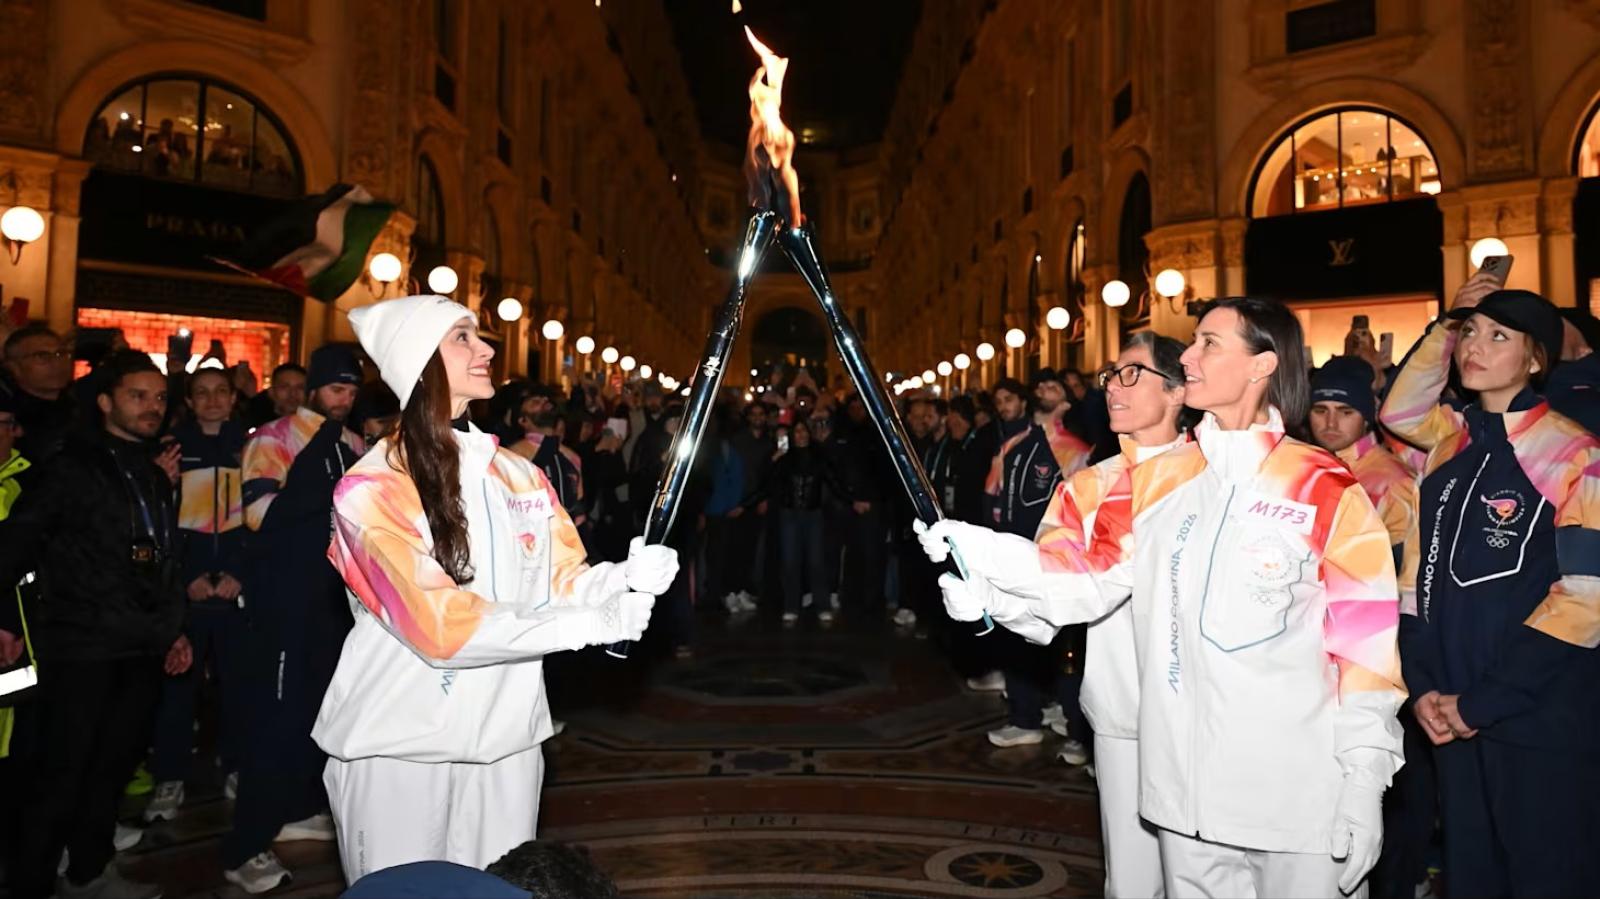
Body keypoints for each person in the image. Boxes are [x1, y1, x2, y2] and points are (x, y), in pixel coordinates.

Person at [922, 298, 1404, 898]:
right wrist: (986, 567)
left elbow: (1366, 646)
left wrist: (1365, 774)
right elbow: (1090, 580)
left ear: (1262, 366)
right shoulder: (1158, 482)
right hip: (1183, 795)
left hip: (1293, 787)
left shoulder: (1322, 484)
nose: (1191, 357)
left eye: (1208, 344)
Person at [315, 295, 675, 882]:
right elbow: (437, 624)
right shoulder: (368, 491)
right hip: (399, 743)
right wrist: (592, 624)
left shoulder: (519, 475)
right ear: (418, 360)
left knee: (499, 893)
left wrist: (620, 581)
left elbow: (562, 582)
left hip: (506, 739)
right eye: (463, 337)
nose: (486, 348)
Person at [1380, 280, 1600, 898]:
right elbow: (1416, 580)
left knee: (1546, 873)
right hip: (1449, 710)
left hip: (1537, 716)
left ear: (1535, 360)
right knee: (1471, 874)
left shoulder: (1575, 454)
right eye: (1470, 334)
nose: (1475, 346)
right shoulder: (1452, 439)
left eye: (1498, 336)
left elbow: (1584, 602)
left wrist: (1482, 703)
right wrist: (1424, 686)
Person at [0, 351, 190, 899]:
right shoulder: (71, 465)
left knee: (111, 772)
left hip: (138, 648)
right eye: (138, 395)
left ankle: (88, 871)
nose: (152, 406)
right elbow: (18, 539)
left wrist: (172, 629)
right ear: (105, 401)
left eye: (158, 397)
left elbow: (163, 556)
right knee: (60, 776)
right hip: (81, 648)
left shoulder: (151, 472)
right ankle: (30, 883)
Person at [1028, 332, 1194, 898]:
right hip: (1121, 707)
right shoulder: (1088, 486)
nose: (1113, 389)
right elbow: (1050, 583)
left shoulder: (1215, 474)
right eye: (1110, 376)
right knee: (1128, 877)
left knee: (1199, 876)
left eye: (1131, 374)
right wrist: (987, 574)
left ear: (1177, 392)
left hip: (1203, 712)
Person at [223, 346, 366, 893]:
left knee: (320, 710)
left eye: (352, 391)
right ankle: (245, 845)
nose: (345, 400)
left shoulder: (352, 443)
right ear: (314, 390)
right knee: (276, 721)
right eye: (336, 390)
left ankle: (301, 806)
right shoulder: (274, 438)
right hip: (282, 602)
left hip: (332, 603)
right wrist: (322, 469)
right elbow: (260, 515)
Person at [144, 368, 251, 823]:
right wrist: (185, 576)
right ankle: (169, 775)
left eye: (220, 392)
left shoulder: (251, 450)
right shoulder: (170, 449)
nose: (212, 400)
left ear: (233, 399)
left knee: (238, 687)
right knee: (176, 691)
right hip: (184, 594)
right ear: (188, 399)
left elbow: (261, 521)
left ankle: (238, 766)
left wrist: (240, 573)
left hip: (234, 591)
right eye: (202, 393)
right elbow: (156, 524)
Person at [983, 373, 1092, 755]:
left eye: (1053, 388)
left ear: (1065, 403)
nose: (1043, 391)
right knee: (1017, 638)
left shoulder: (1076, 449)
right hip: (1017, 558)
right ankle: (1026, 715)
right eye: (1040, 386)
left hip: (1057, 561)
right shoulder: (1014, 443)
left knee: (1066, 647)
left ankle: (1075, 724)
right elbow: (995, 495)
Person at [745, 419, 845, 625]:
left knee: (816, 561)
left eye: (804, 431)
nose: (801, 435)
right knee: (790, 562)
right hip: (789, 514)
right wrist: (746, 504)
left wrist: (853, 500)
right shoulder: (784, 460)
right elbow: (766, 485)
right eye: (797, 431)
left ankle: (822, 605)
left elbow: (834, 482)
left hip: (813, 514)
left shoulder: (819, 457)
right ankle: (791, 606)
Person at [2, 324, 78, 464]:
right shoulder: (9, 418)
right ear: (14, 367)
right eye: (41, 356)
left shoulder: (84, 405)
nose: (56, 363)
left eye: (61, 354)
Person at [247, 362, 307, 429]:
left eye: (300, 387)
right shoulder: (255, 425)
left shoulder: (315, 428)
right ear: (271, 392)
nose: (293, 393)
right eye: (285, 387)